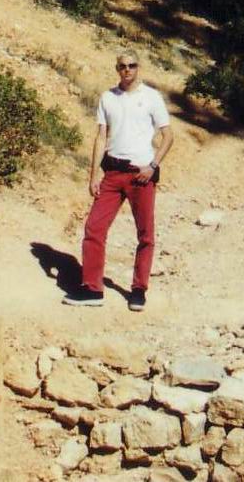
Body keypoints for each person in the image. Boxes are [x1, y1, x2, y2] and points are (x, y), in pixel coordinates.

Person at [64, 49, 172, 310]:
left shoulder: (151, 98)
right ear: (117, 69)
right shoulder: (107, 98)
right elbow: (101, 137)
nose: (127, 70)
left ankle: (138, 290)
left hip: (141, 175)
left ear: (139, 67)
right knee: (94, 228)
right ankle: (92, 289)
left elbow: (168, 136)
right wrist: (93, 176)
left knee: (145, 233)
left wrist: (153, 165)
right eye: (122, 66)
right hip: (112, 173)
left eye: (132, 65)